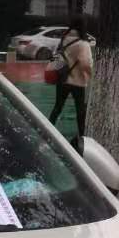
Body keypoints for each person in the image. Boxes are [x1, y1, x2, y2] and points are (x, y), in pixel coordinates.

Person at [48, 17, 94, 154]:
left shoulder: (64, 39)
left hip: (62, 79)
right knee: (80, 110)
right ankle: (83, 137)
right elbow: (86, 63)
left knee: (58, 106)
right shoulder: (83, 44)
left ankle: (47, 129)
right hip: (78, 81)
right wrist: (90, 75)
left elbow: (57, 57)